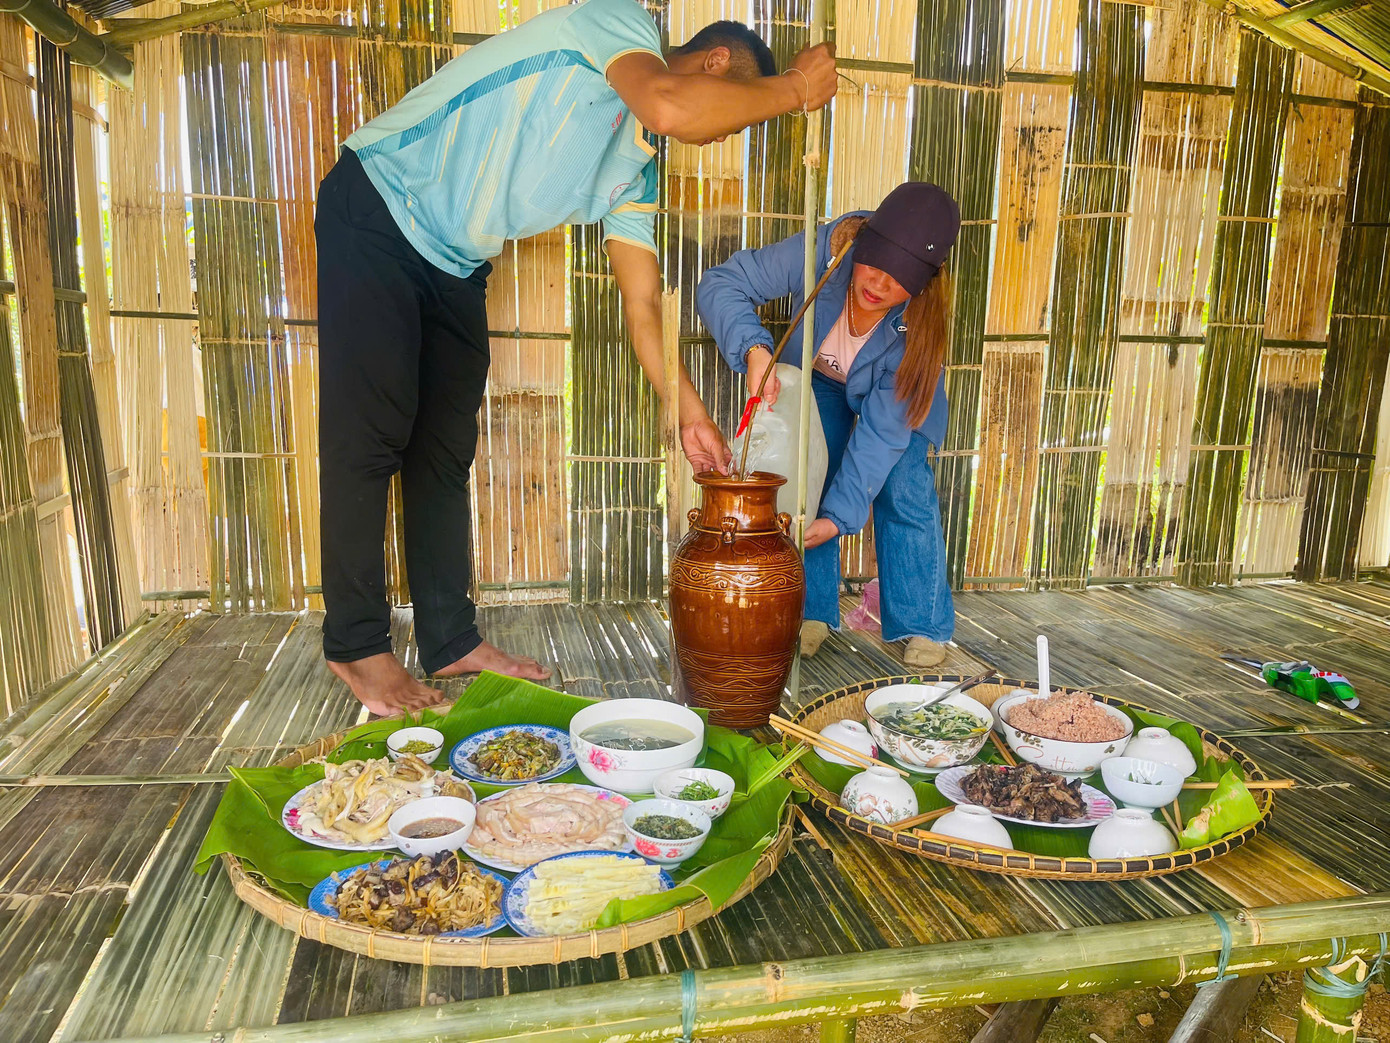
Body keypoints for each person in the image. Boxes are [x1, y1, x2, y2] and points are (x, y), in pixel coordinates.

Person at [315, 0, 837, 715]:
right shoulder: (620, 26)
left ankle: (450, 638)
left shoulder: (638, 166)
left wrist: (688, 412)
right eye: (734, 113)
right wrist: (796, 90)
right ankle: (357, 644)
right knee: (371, 436)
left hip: (455, 260)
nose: (725, 133)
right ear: (715, 63)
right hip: (379, 201)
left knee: (443, 451)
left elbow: (643, 307)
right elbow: (671, 104)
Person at [697, 182, 960, 668]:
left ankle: (922, 621)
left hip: (895, 398)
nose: (879, 283)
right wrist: (755, 350)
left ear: (924, 281)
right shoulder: (823, 251)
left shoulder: (919, 329)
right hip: (818, 377)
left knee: (904, 484)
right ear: (863, 242)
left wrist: (839, 519)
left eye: (900, 277)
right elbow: (720, 284)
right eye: (875, 263)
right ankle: (813, 611)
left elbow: (881, 435)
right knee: (811, 475)